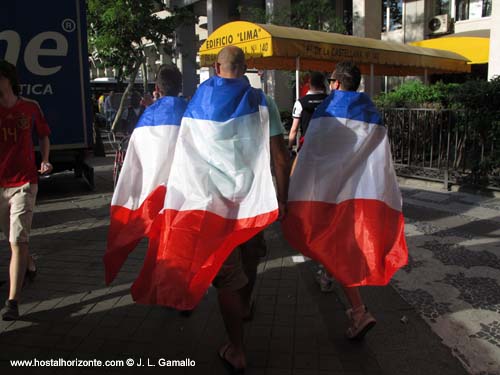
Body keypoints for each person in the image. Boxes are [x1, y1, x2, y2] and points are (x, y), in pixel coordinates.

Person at [283, 61, 408, 340]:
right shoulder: (371, 112)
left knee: (330, 243)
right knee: (337, 244)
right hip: (359, 196)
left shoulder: (328, 111)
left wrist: (293, 190)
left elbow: (312, 156)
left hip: (330, 197)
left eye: (332, 81)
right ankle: (329, 277)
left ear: (337, 83)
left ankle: (359, 311)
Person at [211, 46, 290, 373]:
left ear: (218, 67)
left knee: (227, 275)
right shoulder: (263, 101)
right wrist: (283, 199)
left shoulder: (202, 103)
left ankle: (237, 348)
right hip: (255, 201)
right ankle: (245, 304)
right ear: (245, 68)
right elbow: (281, 157)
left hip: (218, 206)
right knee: (252, 254)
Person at [0, 60, 53, 320]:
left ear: (8, 80)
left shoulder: (30, 107)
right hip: (0, 184)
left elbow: (43, 134)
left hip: (24, 183)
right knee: (13, 241)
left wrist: (44, 159)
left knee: (17, 241)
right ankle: (29, 265)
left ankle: (13, 301)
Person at [288, 71, 328, 150]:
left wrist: (289, 147)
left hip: (307, 144)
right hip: (326, 144)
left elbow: (294, 129)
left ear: (309, 82)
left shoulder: (301, 102)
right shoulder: (330, 100)